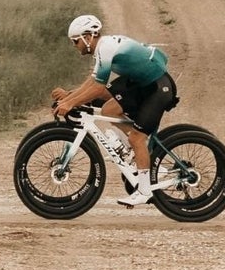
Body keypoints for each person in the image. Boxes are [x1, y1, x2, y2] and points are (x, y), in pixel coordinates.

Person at [51, 14, 179, 206]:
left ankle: (144, 191)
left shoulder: (106, 48)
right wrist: (70, 97)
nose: (74, 45)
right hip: (141, 83)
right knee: (108, 109)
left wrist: (71, 103)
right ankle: (137, 151)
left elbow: (97, 88)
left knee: (137, 137)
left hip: (157, 87)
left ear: (88, 37)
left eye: (76, 41)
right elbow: (93, 82)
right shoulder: (103, 48)